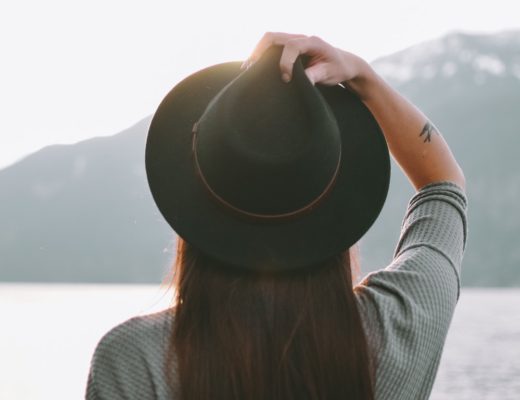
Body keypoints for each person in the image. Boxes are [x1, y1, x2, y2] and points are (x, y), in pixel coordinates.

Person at [85, 32, 467, 400]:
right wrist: (361, 75)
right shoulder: (399, 326)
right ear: (335, 210)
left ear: (194, 212)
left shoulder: (133, 359)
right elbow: (442, 183)